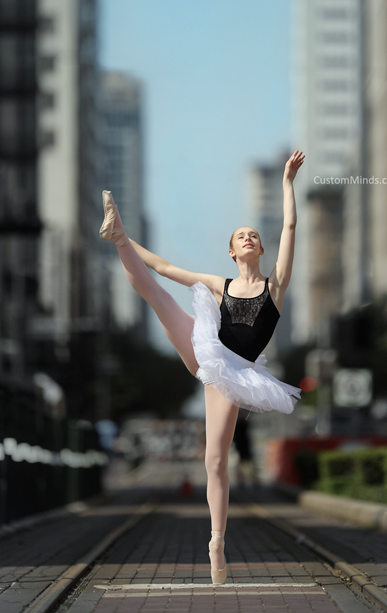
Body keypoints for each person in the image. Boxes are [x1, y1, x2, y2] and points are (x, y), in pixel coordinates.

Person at [99, 149, 304, 585]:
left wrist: (287, 183)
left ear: (261, 247)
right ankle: (117, 235)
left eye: (253, 235)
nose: (248, 238)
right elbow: (166, 268)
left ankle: (216, 542)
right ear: (230, 252)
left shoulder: (276, 285)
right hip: (204, 345)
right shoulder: (221, 284)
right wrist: (127, 239)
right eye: (240, 236)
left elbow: (289, 226)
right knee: (159, 295)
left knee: (215, 462)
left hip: (234, 373)